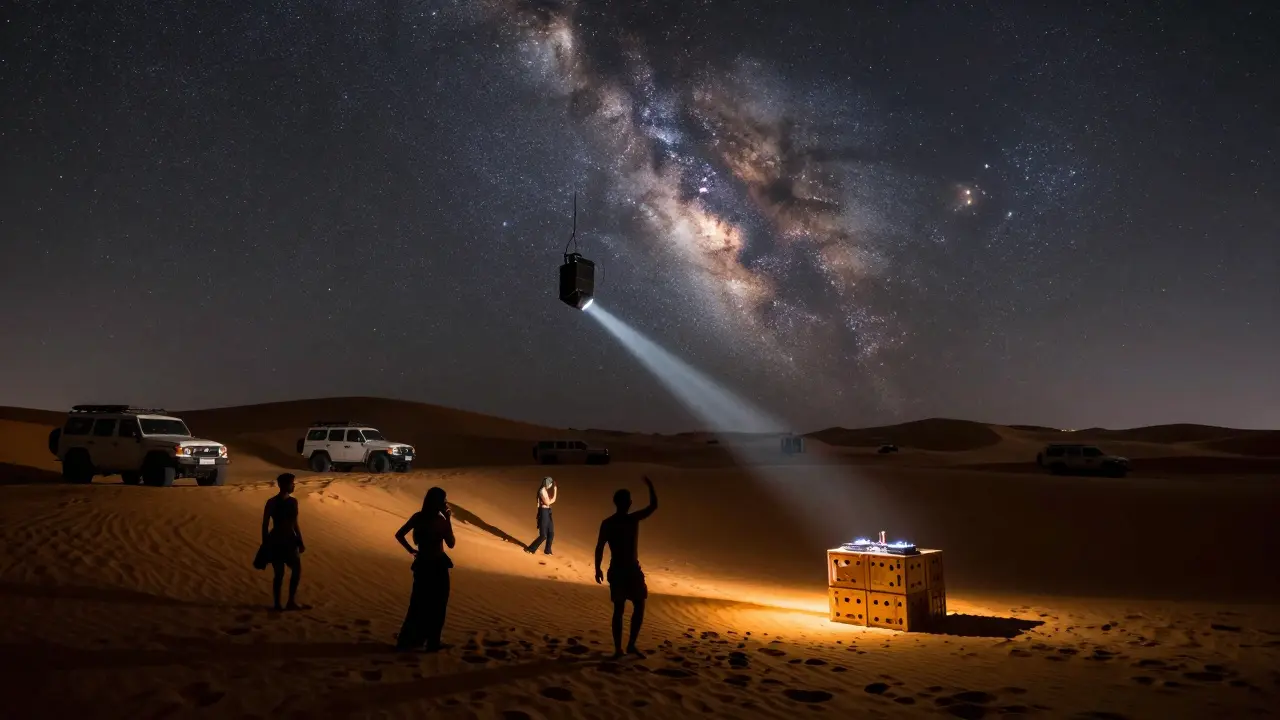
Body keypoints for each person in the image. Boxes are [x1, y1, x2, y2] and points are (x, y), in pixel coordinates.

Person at [594, 476, 657, 659]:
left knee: (636, 605)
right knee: (621, 609)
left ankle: (627, 646)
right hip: (622, 570)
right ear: (626, 502)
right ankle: (621, 648)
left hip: (629, 569)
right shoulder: (620, 521)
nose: (629, 503)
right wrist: (650, 486)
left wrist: (598, 568)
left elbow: (599, 547)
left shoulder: (625, 520)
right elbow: (600, 547)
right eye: (627, 500)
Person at [394, 486, 456, 652]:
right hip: (437, 566)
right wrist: (448, 519)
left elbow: (399, 535)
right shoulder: (440, 521)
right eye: (444, 500)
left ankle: (408, 640)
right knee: (438, 605)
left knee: (417, 603)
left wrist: (411, 550)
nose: (446, 503)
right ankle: (432, 642)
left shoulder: (418, 517)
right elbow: (451, 543)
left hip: (422, 565)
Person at [261, 473, 305, 611]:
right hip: (276, 540)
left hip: (290, 540)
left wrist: (300, 540)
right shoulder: (272, 502)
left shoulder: (293, 502)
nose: (293, 485)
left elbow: (295, 523)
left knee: (296, 570)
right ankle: (277, 604)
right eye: (291, 483)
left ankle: (291, 601)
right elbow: (265, 524)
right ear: (282, 485)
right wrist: (265, 544)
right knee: (279, 574)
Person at [525, 476, 557, 555]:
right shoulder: (542, 491)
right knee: (543, 535)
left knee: (551, 532)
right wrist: (555, 491)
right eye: (550, 484)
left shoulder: (545, 490)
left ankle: (547, 550)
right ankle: (531, 549)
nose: (550, 486)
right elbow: (548, 502)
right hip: (543, 512)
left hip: (548, 512)